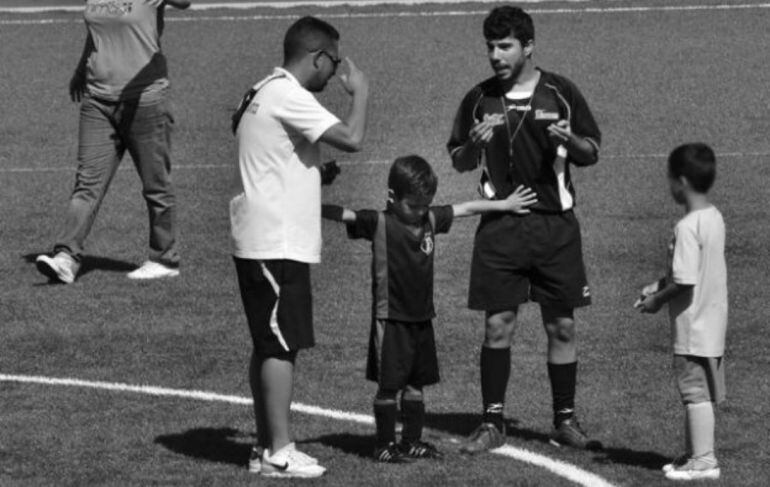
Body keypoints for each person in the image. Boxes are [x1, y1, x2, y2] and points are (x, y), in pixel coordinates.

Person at [446, 5, 602, 453]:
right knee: (498, 325)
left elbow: (591, 150)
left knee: (562, 327)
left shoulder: (561, 92)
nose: (495, 55)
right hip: (501, 230)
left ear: (528, 47)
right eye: (490, 47)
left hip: (556, 229)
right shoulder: (479, 99)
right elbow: (458, 159)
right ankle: (492, 421)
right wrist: (472, 147)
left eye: (505, 46)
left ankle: (565, 421)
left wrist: (569, 141)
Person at [323, 155, 537, 463]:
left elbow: (466, 208)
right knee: (388, 387)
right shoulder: (378, 222)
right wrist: (300, 201)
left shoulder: (430, 220)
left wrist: (505, 204)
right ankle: (383, 444)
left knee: (416, 385)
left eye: (425, 206)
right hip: (391, 319)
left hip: (423, 319)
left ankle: (411, 441)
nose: (420, 212)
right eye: (414, 206)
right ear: (392, 197)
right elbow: (343, 215)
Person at [230, 16, 369, 479]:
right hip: (276, 241)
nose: (335, 73)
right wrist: (362, 93)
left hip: (260, 236)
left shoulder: (261, 88)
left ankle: (265, 444)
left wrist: (313, 171)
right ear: (317, 56)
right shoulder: (292, 94)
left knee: (267, 344)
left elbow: (270, 151)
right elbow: (351, 139)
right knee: (280, 347)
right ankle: (280, 452)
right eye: (333, 62)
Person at [35, 0, 191, 284]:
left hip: (146, 100)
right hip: (97, 100)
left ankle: (164, 259)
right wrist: (81, 69)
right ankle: (66, 258)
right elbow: (96, 33)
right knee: (87, 184)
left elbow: (185, 2)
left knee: (156, 186)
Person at [634, 143, 727, 481]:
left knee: (694, 393)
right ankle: (693, 455)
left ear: (682, 182)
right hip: (713, 321)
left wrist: (656, 301)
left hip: (693, 326)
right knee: (698, 391)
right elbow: (691, 271)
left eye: (670, 180)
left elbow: (685, 283)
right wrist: (658, 284)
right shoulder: (713, 217)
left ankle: (704, 460)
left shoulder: (686, 227)